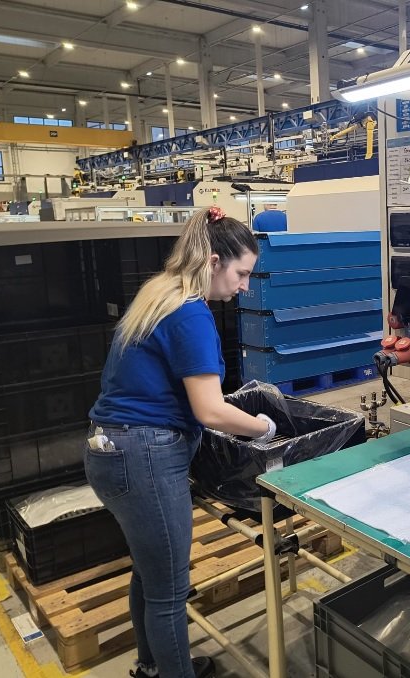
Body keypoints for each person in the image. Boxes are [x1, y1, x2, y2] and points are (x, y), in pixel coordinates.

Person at [85, 207, 277, 678]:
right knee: (169, 593)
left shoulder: (159, 293)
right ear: (213, 262)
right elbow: (210, 410)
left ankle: (152, 667)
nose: (244, 286)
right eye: (241, 274)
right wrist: (263, 428)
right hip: (145, 456)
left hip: (109, 449)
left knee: (150, 573)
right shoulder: (190, 314)